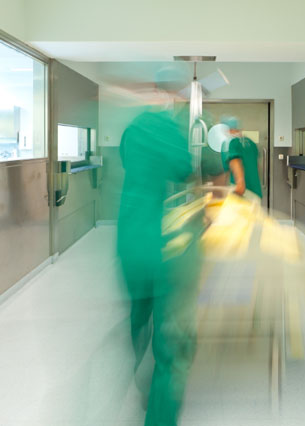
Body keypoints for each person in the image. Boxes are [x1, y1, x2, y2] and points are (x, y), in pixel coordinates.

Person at [116, 68, 201, 426]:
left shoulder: (132, 129)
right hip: (164, 250)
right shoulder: (169, 129)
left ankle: (141, 381)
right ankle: (159, 412)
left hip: (130, 243)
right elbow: (184, 170)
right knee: (172, 342)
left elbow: (130, 166)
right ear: (176, 94)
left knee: (139, 318)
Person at [220, 116, 263, 199]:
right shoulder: (251, 143)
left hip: (241, 192)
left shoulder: (230, 142)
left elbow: (235, 161)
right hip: (255, 191)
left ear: (228, 129)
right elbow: (256, 166)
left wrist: (240, 185)